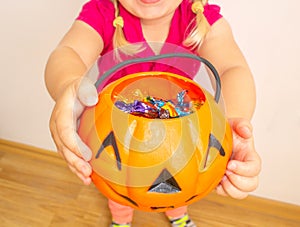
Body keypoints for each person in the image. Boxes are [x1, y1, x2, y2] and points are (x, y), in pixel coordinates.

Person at [44, 0, 261, 226]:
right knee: (119, 186)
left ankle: (179, 216)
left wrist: (232, 122)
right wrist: (68, 85)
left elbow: (231, 68)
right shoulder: (103, 12)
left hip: (182, 135)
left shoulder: (200, 17)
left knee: (179, 181)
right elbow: (69, 52)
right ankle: (121, 220)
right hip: (120, 135)